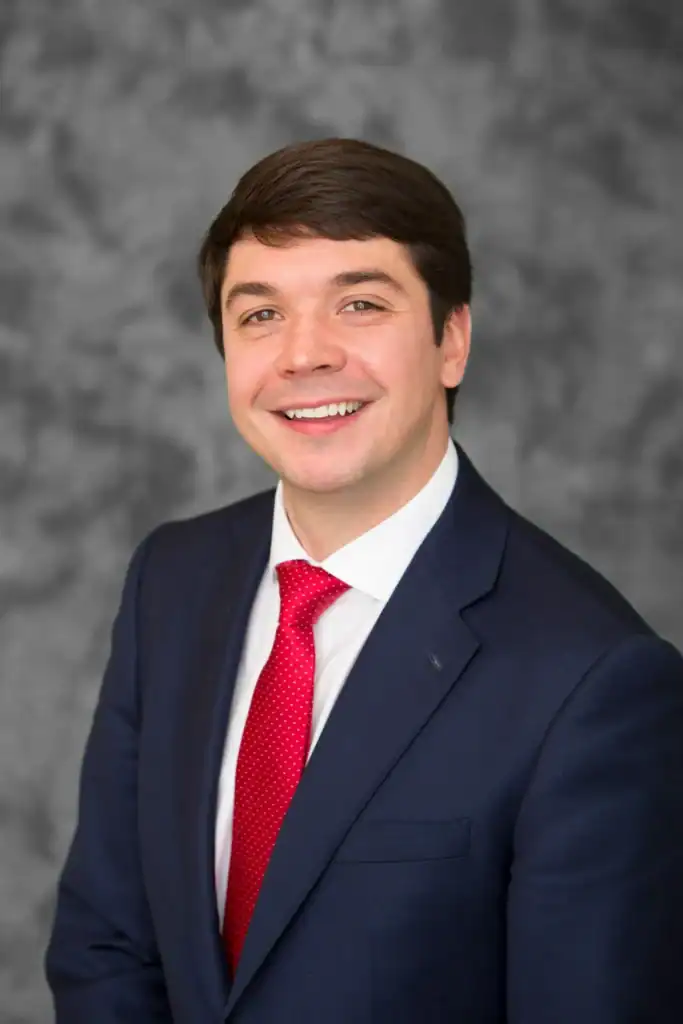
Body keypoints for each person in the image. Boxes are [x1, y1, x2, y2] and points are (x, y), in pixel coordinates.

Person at [45, 137, 683, 1023]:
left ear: (450, 340)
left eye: (358, 303)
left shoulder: (595, 681)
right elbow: (105, 941)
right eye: (259, 314)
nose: (303, 355)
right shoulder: (172, 582)